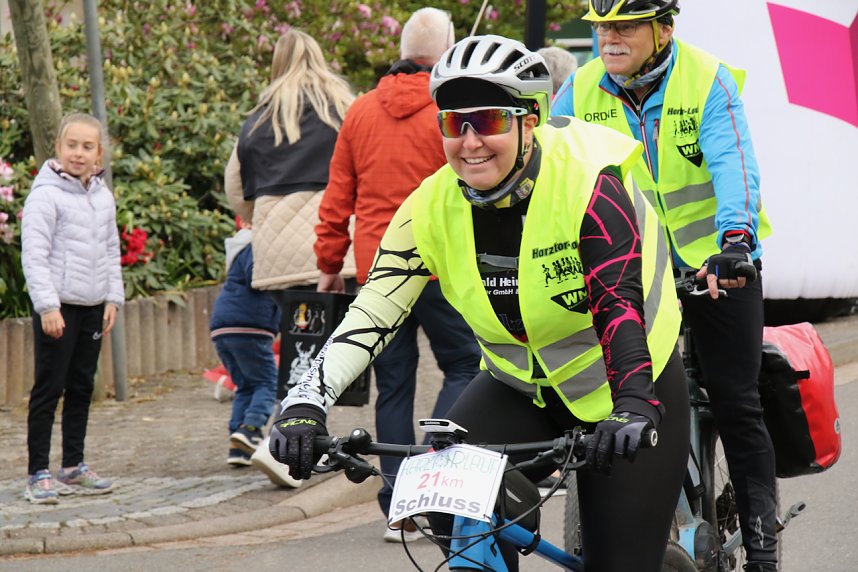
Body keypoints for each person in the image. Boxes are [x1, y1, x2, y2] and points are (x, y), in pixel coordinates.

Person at [268, 35, 690, 571]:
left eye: (488, 121)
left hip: (627, 384)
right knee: (442, 503)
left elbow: (619, 305)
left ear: (529, 118)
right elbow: (372, 312)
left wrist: (632, 404)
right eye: (453, 123)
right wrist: (305, 403)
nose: (469, 142)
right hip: (519, 388)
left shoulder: (587, 186)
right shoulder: (429, 206)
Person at [552, 2, 777, 570]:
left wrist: (735, 244)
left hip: (716, 270)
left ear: (663, 29)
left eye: (625, 26)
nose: (610, 38)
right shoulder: (578, 92)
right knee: (613, 399)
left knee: (737, 402)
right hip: (628, 271)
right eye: (601, 28)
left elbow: (734, 166)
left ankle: (763, 552)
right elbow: (551, 172)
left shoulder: (706, 78)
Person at [313, 7, 480, 542]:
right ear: (445, 52)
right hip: (440, 267)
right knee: (465, 367)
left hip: (378, 270)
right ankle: (434, 476)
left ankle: (398, 507)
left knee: (393, 387)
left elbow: (337, 197)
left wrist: (328, 265)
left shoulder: (360, 112)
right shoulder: (449, 110)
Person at [224, 29, 356, 486]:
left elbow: (236, 189)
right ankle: (290, 445)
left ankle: (290, 441)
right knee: (331, 350)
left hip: (278, 252)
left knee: (299, 348)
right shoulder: (344, 108)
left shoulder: (259, 118)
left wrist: (261, 214)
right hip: (334, 245)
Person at [21, 112, 124, 504]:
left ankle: (73, 465)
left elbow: (111, 251)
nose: (78, 154)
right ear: (59, 148)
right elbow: (34, 255)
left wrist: (113, 297)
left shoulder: (102, 196)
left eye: (87, 147)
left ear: (99, 154)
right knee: (50, 388)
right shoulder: (45, 195)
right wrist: (47, 306)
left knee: (82, 386)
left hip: (94, 306)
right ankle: (38, 472)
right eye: (71, 145)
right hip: (58, 308)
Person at [209, 218, 300, 489]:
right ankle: (250, 429)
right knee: (267, 383)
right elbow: (258, 276)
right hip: (250, 325)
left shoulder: (241, 248)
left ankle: (239, 447)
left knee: (246, 385)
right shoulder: (255, 246)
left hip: (224, 327)